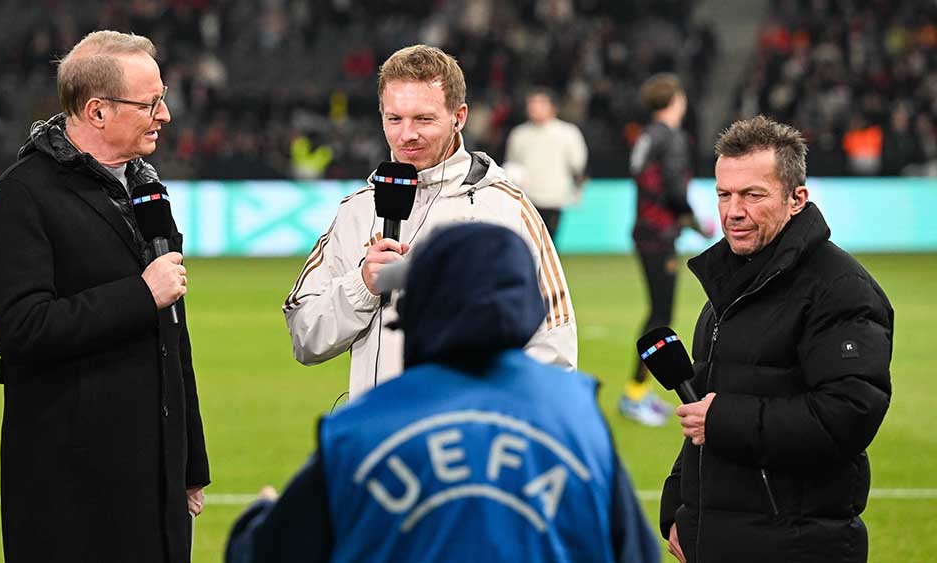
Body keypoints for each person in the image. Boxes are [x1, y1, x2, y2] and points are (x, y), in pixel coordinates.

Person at [230, 222, 659, 563]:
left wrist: (257, 517)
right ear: (529, 305)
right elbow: (637, 554)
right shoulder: (580, 420)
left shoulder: (359, 428)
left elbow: (260, 554)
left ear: (419, 308)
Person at [0, 31, 209, 563]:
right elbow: (22, 330)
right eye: (150, 102)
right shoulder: (21, 197)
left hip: (155, 481)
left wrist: (189, 461)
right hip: (71, 491)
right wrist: (139, 294)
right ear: (97, 111)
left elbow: (174, 336)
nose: (165, 114)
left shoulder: (147, 191)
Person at [660, 116, 893, 563]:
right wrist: (680, 508)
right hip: (720, 539)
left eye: (753, 195)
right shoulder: (727, 289)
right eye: (724, 194)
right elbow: (703, 413)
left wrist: (724, 419)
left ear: (796, 199)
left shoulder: (841, 289)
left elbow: (849, 415)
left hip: (798, 545)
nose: (733, 211)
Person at [284, 45, 577, 399]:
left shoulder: (505, 208)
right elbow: (305, 337)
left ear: (460, 116)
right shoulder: (357, 211)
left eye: (424, 119)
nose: (407, 134)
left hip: (467, 444)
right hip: (382, 441)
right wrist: (361, 286)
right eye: (394, 119)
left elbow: (554, 346)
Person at [620, 73, 713, 427]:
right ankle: (633, 395)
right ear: (675, 101)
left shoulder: (646, 136)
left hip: (645, 229)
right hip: (659, 234)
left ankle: (639, 393)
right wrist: (693, 220)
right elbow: (674, 189)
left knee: (657, 312)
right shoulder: (671, 138)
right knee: (660, 316)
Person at [504, 87, 588, 238]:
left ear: (552, 107)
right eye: (532, 103)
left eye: (540, 103)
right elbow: (511, 166)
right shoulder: (519, 134)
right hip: (527, 197)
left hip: (554, 197)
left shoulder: (568, 133)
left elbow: (578, 164)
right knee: (528, 241)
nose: (534, 107)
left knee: (549, 241)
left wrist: (577, 190)